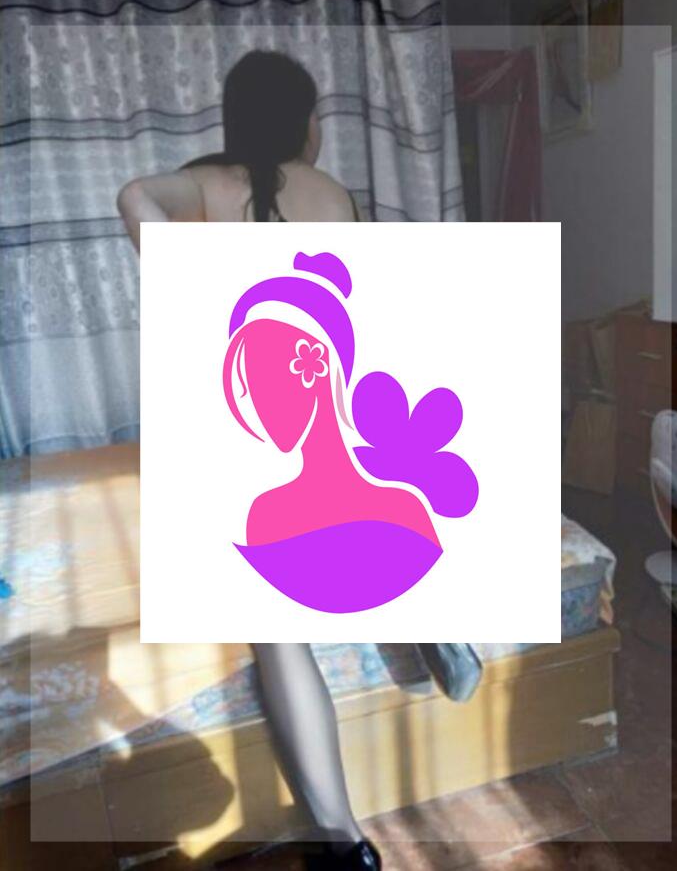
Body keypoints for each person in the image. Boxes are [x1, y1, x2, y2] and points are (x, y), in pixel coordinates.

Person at [118, 49, 482, 871]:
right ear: (300, 120)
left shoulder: (205, 184)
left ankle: (343, 844)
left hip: (261, 429)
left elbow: (134, 195)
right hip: (342, 408)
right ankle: (422, 608)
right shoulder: (332, 194)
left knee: (273, 626)